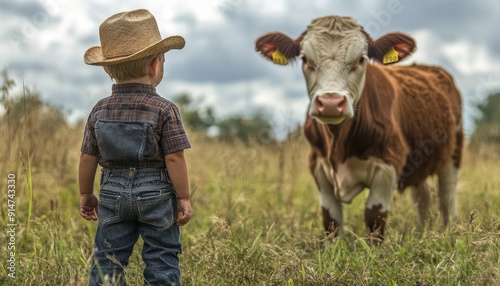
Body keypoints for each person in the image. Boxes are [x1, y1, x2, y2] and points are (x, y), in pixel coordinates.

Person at [78, 9, 192, 286]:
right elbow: (175, 158)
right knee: (162, 254)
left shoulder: (99, 109)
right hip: (156, 193)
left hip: (112, 192)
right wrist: (184, 197)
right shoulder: (165, 109)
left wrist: (86, 193)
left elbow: (87, 156)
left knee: (108, 257)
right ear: (155, 65)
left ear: (107, 69)